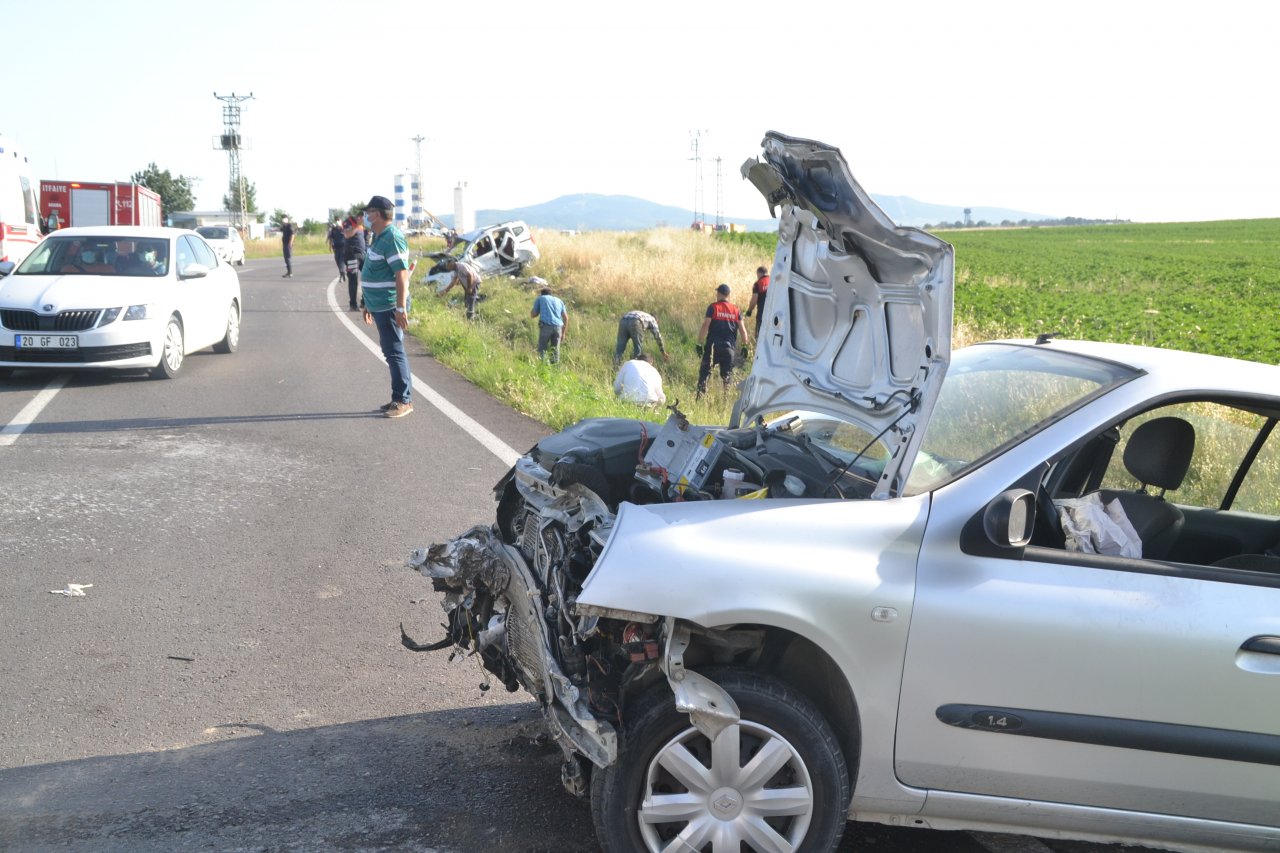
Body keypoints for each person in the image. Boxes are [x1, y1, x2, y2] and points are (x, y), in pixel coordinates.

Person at [360, 195, 413, 418]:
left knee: (394, 351)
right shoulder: (379, 237)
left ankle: (403, 400)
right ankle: (397, 398)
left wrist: (400, 308)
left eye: (369, 211)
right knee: (390, 351)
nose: (366, 216)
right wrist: (367, 303)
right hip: (379, 305)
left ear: (378, 214)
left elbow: (401, 274)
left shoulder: (392, 237)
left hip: (390, 305)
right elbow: (374, 271)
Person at [696, 282, 751, 398]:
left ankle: (700, 398)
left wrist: (699, 343)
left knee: (704, 374)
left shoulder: (713, 307)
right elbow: (743, 331)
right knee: (727, 378)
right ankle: (726, 400)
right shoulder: (736, 310)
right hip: (729, 349)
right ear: (728, 295)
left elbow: (705, 325)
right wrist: (745, 346)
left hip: (713, 347)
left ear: (719, 294)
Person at [530, 282, 569, 363]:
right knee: (555, 351)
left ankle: (543, 369)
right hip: (558, 328)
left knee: (542, 349)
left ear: (542, 294)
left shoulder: (541, 298)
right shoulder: (559, 301)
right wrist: (563, 333)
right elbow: (566, 318)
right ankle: (555, 371)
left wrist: (532, 311)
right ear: (551, 294)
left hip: (546, 326)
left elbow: (534, 314)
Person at [342, 216, 367, 311]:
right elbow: (347, 235)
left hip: (362, 254)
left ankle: (364, 302)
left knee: (368, 277)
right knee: (353, 280)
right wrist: (357, 225)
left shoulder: (361, 225)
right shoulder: (348, 222)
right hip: (352, 255)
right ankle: (353, 304)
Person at [744, 265, 770, 341]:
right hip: (774, 313)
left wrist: (749, 311)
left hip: (762, 313)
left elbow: (754, 301)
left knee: (759, 336)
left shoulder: (758, 284)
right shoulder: (773, 281)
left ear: (759, 273)